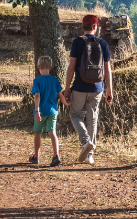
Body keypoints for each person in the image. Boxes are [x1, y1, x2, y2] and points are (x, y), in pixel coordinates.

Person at [63, 14, 114, 165]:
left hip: (79, 86)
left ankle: (85, 142)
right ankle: (89, 155)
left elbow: (72, 68)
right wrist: (109, 89)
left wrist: (67, 89)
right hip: (97, 87)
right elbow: (107, 69)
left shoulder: (77, 42)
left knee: (75, 114)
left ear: (83, 26)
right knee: (92, 119)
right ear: (95, 27)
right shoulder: (102, 43)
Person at [29, 56, 70, 166]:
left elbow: (37, 96)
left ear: (38, 67)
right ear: (51, 67)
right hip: (53, 111)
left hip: (41, 112)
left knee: (38, 133)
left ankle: (36, 156)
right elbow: (60, 95)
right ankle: (56, 155)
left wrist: (37, 111)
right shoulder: (55, 80)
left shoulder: (37, 81)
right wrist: (66, 103)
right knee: (52, 133)